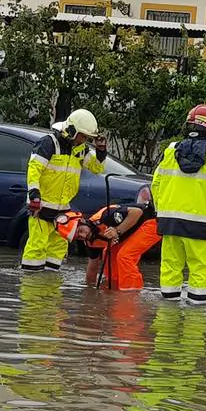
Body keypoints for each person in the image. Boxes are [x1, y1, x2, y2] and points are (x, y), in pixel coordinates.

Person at [151, 104, 206, 304]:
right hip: (202, 227)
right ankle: (195, 329)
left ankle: (166, 326)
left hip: (170, 224)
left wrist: (160, 213)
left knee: (170, 270)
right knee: (200, 272)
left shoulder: (171, 150)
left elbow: (156, 184)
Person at [21, 108, 108, 271]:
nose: (84, 140)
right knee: (37, 246)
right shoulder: (49, 143)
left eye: (88, 137)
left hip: (63, 209)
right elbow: (34, 169)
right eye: (83, 136)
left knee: (59, 247)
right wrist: (34, 195)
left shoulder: (81, 149)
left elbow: (97, 168)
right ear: (72, 130)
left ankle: (51, 287)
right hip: (41, 205)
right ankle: (30, 284)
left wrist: (101, 151)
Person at [82, 187, 161, 291]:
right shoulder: (90, 241)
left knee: (125, 256)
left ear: (83, 221)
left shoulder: (106, 216)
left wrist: (117, 231)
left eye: (80, 231)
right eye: (77, 237)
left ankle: (131, 293)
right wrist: (89, 290)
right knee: (109, 253)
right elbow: (92, 268)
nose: (82, 235)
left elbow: (137, 212)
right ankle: (115, 287)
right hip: (137, 227)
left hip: (152, 222)